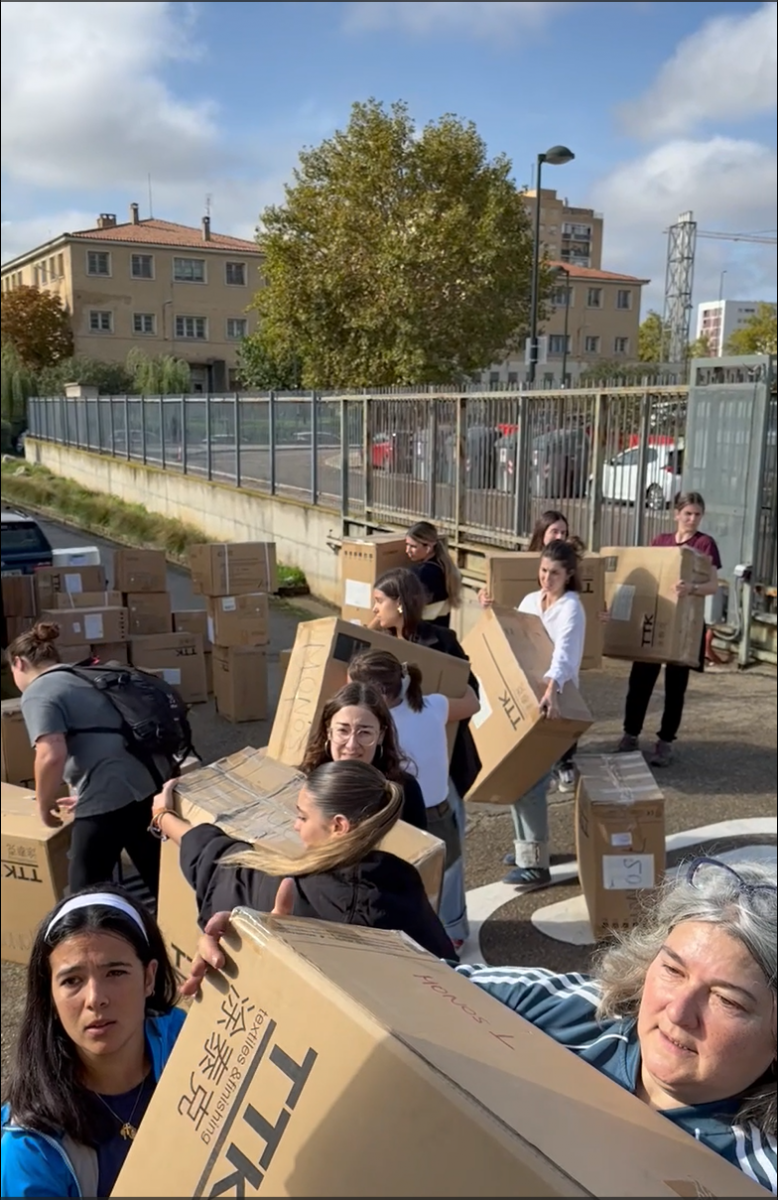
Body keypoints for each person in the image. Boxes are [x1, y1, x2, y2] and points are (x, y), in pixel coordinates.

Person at [452, 858, 777, 1193]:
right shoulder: (566, 1008)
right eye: (673, 970)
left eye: (727, 1000)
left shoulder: (755, 1178)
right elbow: (412, 980)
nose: (678, 1012)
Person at [150, 759, 456, 959]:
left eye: (302, 816)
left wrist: (162, 816)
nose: (295, 826)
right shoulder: (400, 877)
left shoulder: (296, 891)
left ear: (338, 826)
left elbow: (221, 861)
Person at [1, 885, 185, 1198]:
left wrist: (258, 964)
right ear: (51, 997)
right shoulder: (30, 1147)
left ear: (149, 977)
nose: (95, 999)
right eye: (72, 980)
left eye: (115, 972)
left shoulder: (187, 1041)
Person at [7, 623, 169, 898]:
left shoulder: (38, 691)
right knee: (161, 880)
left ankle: (95, 938)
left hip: (110, 792)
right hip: (146, 781)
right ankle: (180, 933)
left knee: (84, 890)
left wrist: (44, 804)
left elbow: (50, 753)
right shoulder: (83, 675)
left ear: (19, 663)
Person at [372, 567, 482, 946]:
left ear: (399, 603)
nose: (375, 608)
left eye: (379, 601)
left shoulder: (443, 639)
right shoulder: (375, 644)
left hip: (445, 763)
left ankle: (452, 928)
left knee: (449, 851)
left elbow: (471, 691)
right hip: (398, 780)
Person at [347, 649, 481, 949]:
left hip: (404, 816)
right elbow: (472, 701)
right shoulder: (434, 705)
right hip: (442, 810)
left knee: (408, 879)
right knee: (447, 873)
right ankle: (454, 930)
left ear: (378, 693)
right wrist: (457, 678)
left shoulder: (378, 729)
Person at [478, 540, 585, 891]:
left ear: (568, 574)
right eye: (542, 571)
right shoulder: (530, 600)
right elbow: (515, 635)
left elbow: (565, 655)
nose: (546, 578)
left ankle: (535, 865)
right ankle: (526, 850)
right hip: (527, 699)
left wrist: (551, 691)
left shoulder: (571, 608)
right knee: (518, 779)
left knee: (532, 784)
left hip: (552, 703)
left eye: (554, 573)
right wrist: (489, 611)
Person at [617, 491, 722, 768]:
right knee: (640, 680)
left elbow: (713, 584)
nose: (692, 519)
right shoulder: (661, 542)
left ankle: (665, 742)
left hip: (686, 626)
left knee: (676, 686)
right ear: (676, 514)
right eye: (687, 513)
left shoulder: (705, 544)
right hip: (657, 617)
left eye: (697, 514)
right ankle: (630, 734)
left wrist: (692, 589)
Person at [298, 682, 428, 831]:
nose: (352, 745)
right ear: (329, 732)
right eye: (343, 731)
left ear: (380, 735)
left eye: (365, 732)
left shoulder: (403, 790)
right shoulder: (304, 779)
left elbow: (419, 849)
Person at [404, 521, 462, 628]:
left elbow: (404, 607)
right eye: (406, 544)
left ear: (428, 548)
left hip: (424, 636)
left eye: (413, 546)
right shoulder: (443, 566)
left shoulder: (423, 573)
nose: (407, 550)